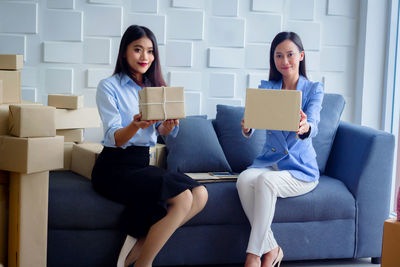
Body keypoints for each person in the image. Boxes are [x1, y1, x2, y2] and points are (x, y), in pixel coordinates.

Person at [91, 25, 208, 267]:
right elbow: (115, 137)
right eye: (137, 50)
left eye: (150, 51)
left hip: (142, 163)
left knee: (201, 194)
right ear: (124, 52)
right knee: (183, 198)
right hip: (114, 167)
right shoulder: (109, 86)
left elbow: (159, 132)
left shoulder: (155, 88)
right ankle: (145, 263)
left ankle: (138, 250)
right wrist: (136, 124)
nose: (145, 57)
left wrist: (166, 126)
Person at [237, 31, 324, 267]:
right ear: (273, 60)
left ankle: (254, 255)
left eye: (290, 55)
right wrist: (247, 127)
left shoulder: (314, 89)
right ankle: (273, 248)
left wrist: (305, 127)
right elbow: (253, 124)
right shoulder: (267, 87)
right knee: (244, 179)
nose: (284, 61)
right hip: (270, 162)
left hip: (300, 168)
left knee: (266, 181)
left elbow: (313, 122)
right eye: (278, 56)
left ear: (301, 56)